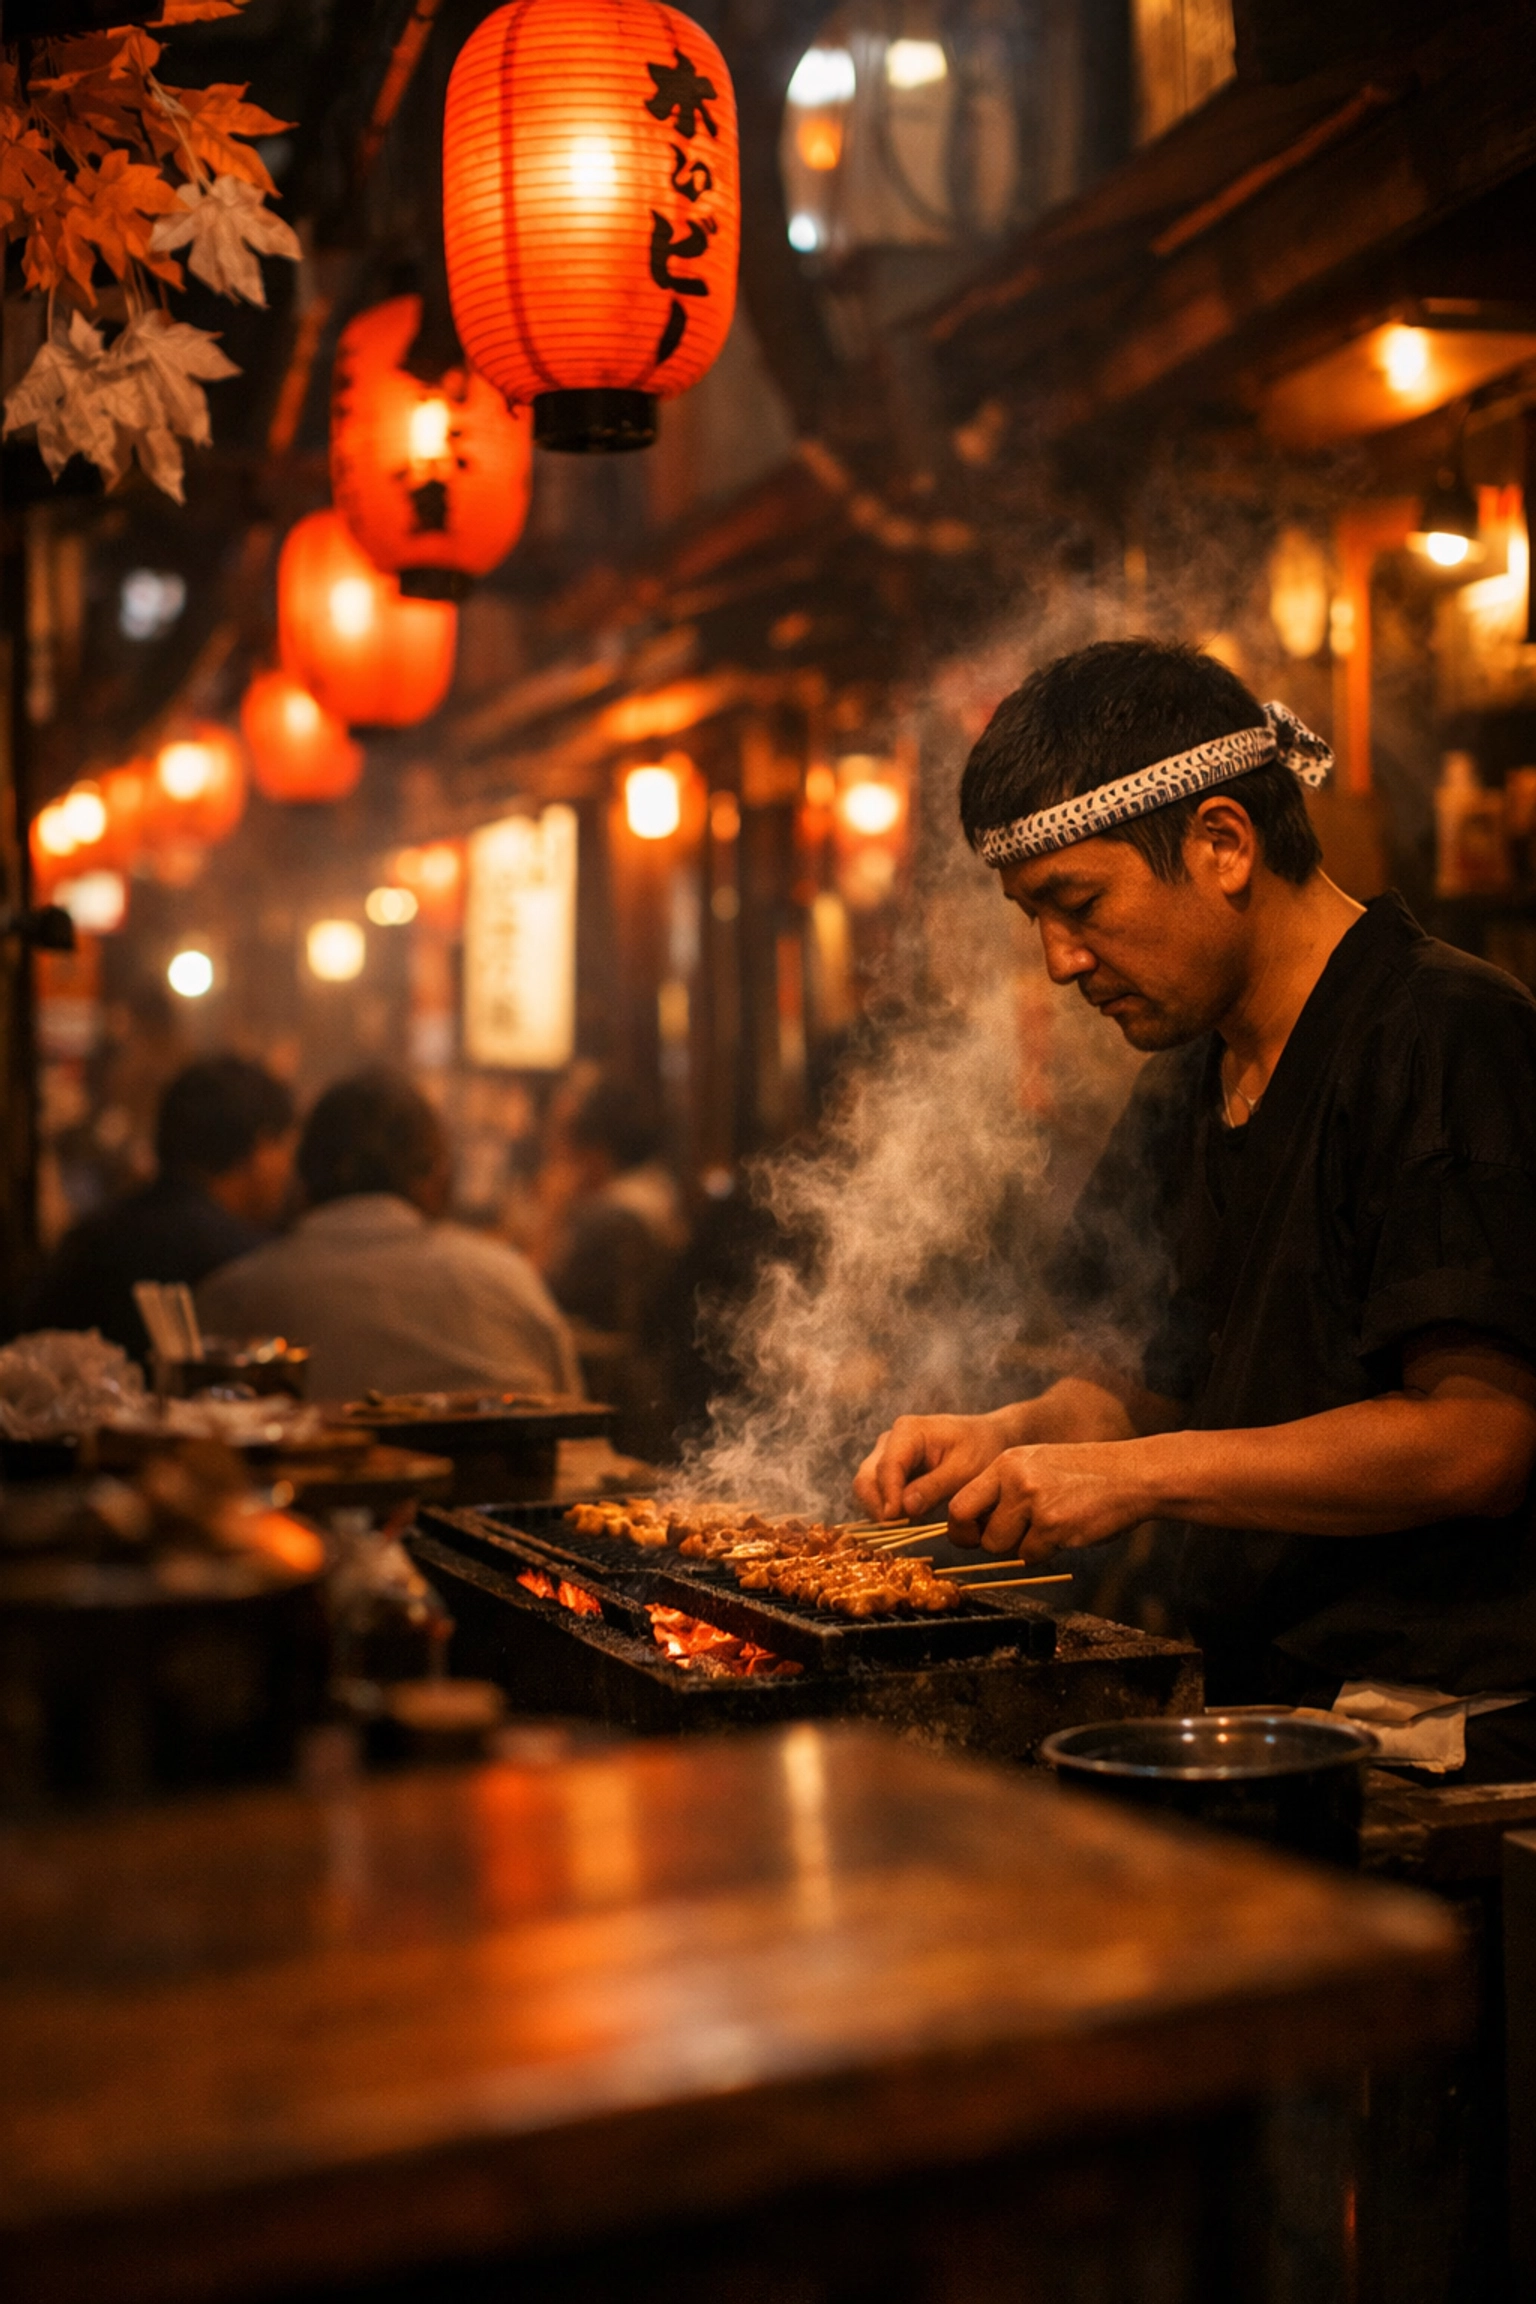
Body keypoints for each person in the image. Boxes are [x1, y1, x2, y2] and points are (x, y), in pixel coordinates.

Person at [855, 639, 1536, 1779]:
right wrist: (1012, 1438)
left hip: (1439, 1735)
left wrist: (1135, 1478)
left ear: (1223, 843)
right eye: (1035, 917)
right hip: (1260, 1703)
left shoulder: (1444, 1033)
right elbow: (1144, 1390)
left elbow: (1476, 1441)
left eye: (1079, 904)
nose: (1060, 961)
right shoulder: (1189, 1069)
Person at [197, 1066, 579, 1402]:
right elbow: (577, 1425)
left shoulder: (234, 1297)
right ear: (435, 1177)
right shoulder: (508, 1280)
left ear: (303, 1181)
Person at [25, 1055, 296, 1359]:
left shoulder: (87, 1239)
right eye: (285, 1147)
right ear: (261, 1149)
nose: (288, 1170)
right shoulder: (247, 1264)